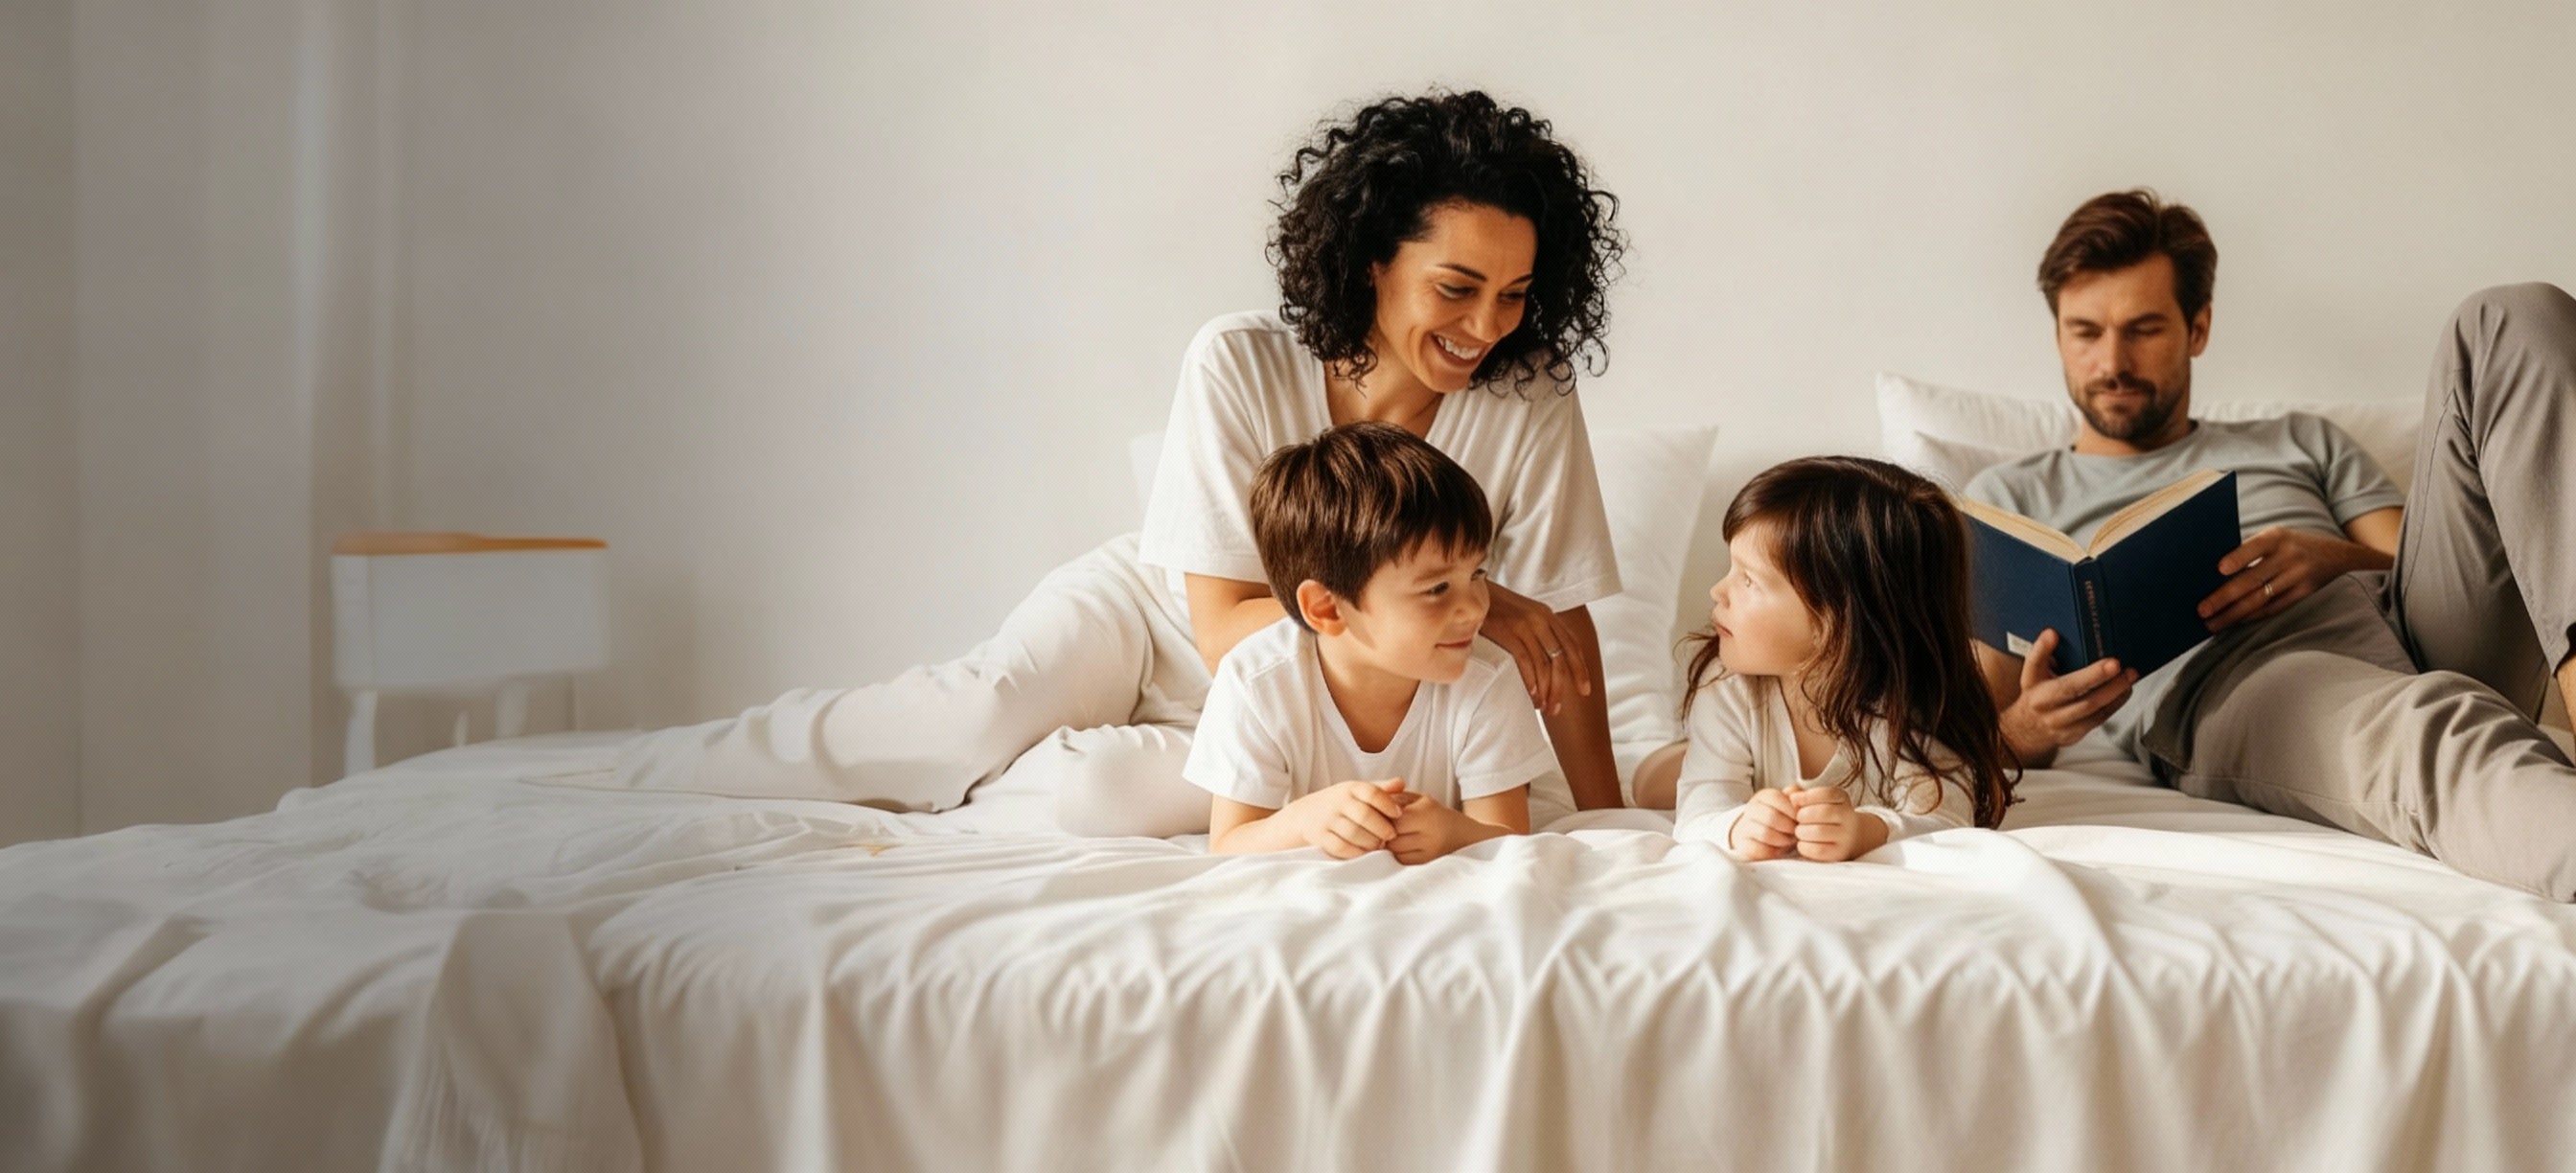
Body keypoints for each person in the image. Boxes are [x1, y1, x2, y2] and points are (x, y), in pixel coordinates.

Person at [612, 89, 1629, 835]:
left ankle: (983, 792)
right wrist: (1480, 602)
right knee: (973, 717)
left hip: (1326, 694)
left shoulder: (1526, 394)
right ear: (1374, 259)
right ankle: (640, 770)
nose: (1487, 326)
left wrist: (1614, 824)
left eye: (1513, 294)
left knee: (1097, 795)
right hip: (1162, 621)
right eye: (1456, 288)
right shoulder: (1240, 359)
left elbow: (1565, 642)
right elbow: (1226, 628)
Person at [1966, 189, 2576, 900]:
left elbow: (2432, 560)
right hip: (2242, 680)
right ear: (2059, 335)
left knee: (2511, 317)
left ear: (2198, 329)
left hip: (2405, 620)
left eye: (2144, 329)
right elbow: (1988, 725)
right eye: (2085, 332)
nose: (2112, 362)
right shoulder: (2008, 497)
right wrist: (2035, 727)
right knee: (2422, 728)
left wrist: (2327, 557)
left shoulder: (2300, 439)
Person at [1196, 423, 1549, 861]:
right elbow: (1227, 843)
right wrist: (1305, 821)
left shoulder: (1488, 678)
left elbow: (1510, 836)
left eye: (1478, 574)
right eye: (1437, 588)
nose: (1476, 609)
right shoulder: (1255, 682)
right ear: (1326, 608)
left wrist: (1455, 833)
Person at [1667, 457, 2017, 859]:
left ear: (1836, 621)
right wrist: (1737, 825)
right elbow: (1698, 812)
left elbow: (1948, 817)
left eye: (1748, 580)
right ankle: (1679, 755)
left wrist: (1869, 829)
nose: (1717, 591)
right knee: (1650, 781)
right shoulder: (1726, 684)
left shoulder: (1907, 702)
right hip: (1723, 743)